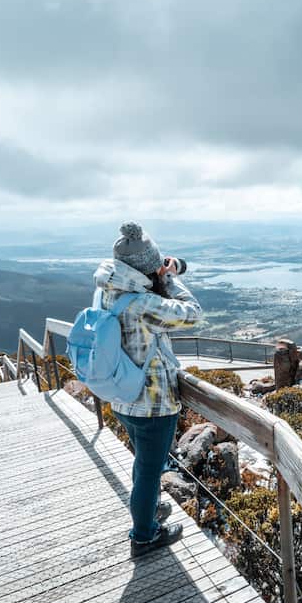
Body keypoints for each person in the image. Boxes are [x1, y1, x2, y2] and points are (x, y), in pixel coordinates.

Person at [93, 221, 203, 556]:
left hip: (122, 395)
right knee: (149, 471)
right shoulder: (141, 303)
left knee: (143, 464)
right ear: (147, 267)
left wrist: (157, 275)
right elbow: (193, 315)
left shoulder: (108, 289)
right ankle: (144, 536)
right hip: (153, 403)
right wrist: (170, 278)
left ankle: (150, 511)